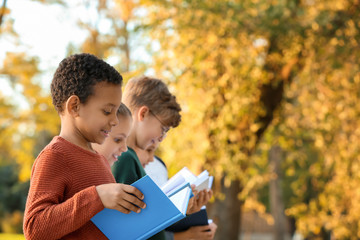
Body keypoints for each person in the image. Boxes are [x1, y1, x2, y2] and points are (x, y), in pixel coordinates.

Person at [23, 53, 146, 240]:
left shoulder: (98, 159)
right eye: (107, 111)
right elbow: (34, 228)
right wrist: (97, 196)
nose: (114, 121)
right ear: (74, 106)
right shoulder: (55, 155)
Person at [112, 76, 211, 240]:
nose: (162, 137)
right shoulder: (124, 158)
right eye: (163, 129)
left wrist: (182, 210)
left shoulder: (127, 157)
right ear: (143, 114)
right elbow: (131, 229)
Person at [142, 144, 218, 240]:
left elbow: (165, 219)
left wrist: (190, 211)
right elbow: (144, 226)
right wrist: (187, 235)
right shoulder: (128, 161)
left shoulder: (159, 165)